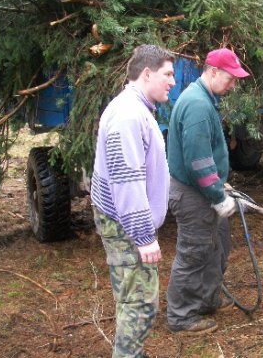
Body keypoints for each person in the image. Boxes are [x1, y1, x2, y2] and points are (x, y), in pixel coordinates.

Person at [90, 44, 175, 357]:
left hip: (122, 221)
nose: (172, 81)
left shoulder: (135, 108)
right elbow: (127, 181)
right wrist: (143, 236)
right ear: (147, 73)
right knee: (139, 303)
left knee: (131, 298)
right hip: (126, 225)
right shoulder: (128, 115)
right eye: (167, 74)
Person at [166, 48, 249, 335]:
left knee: (218, 247)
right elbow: (197, 161)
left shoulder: (204, 98)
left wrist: (219, 184)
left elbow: (205, 155)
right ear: (213, 71)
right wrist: (217, 195)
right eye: (230, 78)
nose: (233, 84)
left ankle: (207, 298)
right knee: (194, 253)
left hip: (204, 188)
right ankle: (181, 317)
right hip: (193, 194)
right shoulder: (198, 106)